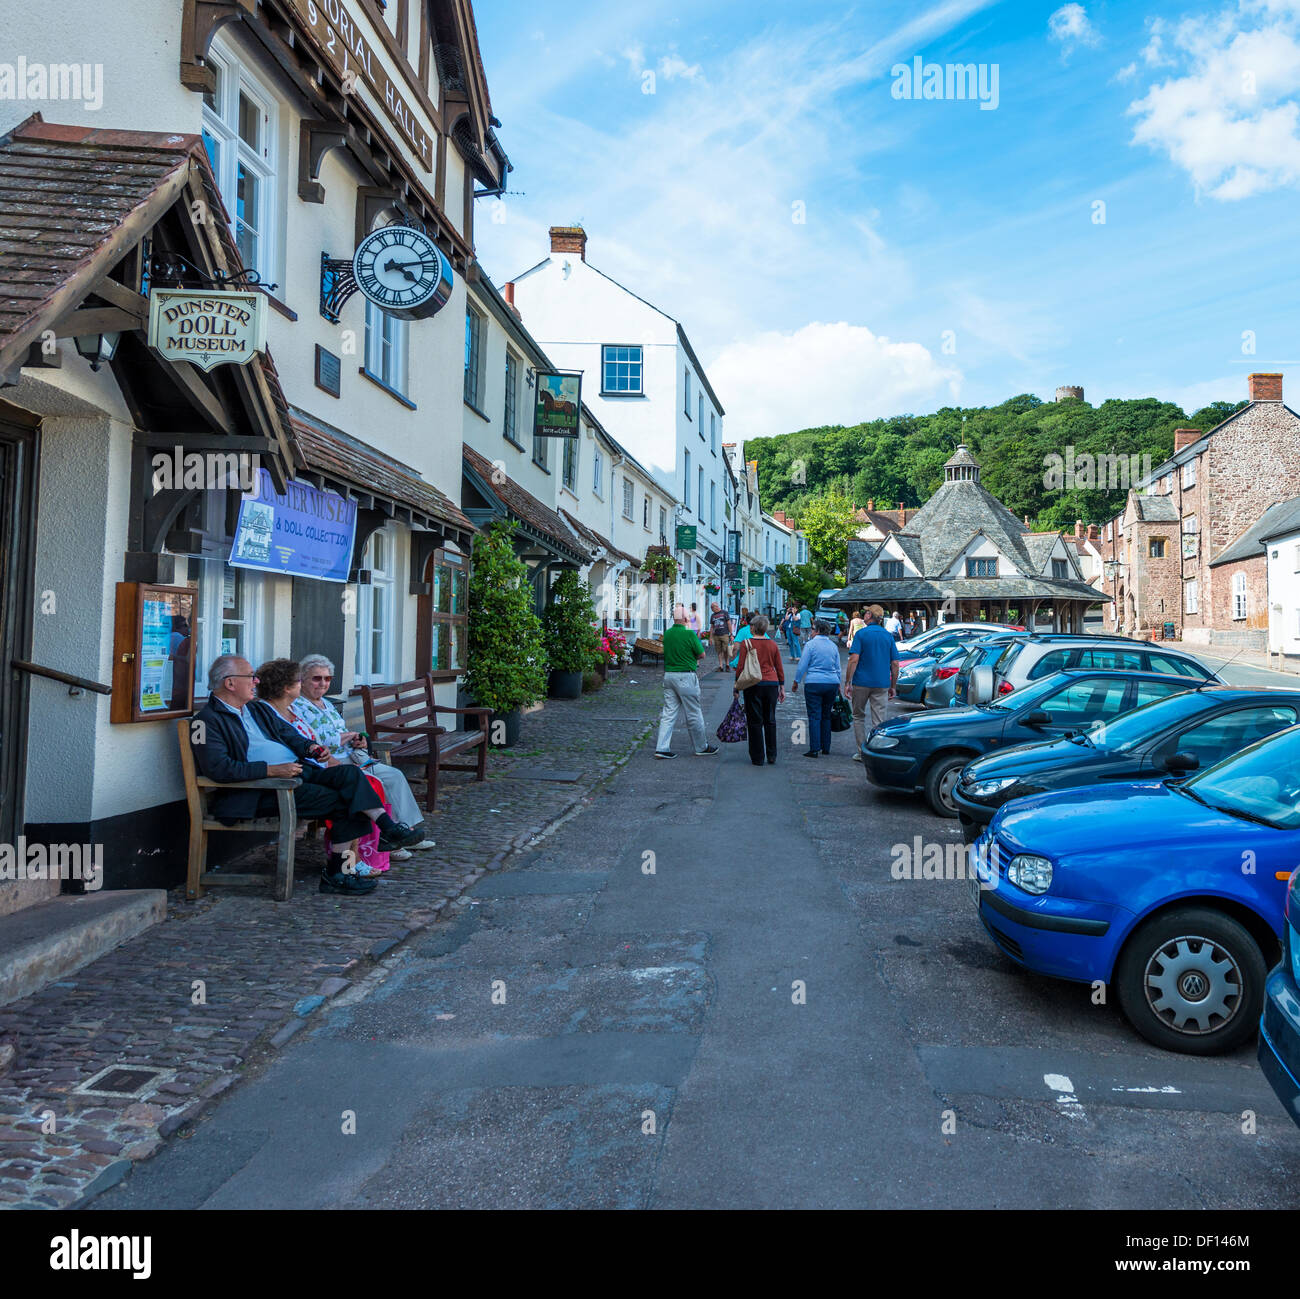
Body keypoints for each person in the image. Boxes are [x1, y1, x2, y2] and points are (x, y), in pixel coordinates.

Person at [191, 655, 424, 895]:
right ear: (230, 684)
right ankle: (340, 872)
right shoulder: (206, 721)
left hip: (296, 772)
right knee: (348, 801)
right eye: (250, 677)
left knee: (351, 776)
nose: (256, 681)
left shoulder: (255, 708)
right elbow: (219, 769)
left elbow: (288, 733)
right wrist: (272, 770)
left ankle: (383, 830)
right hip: (263, 789)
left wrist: (310, 748)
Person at [256, 658, 392, 875]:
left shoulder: (289, 712)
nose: (319, 684)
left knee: (355, 783)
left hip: (312, 769)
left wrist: (315, 750)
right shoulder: (262, 712)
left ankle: (359, 857)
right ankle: (351, 863)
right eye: (302, 680)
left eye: (327, 678)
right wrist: (273, 770)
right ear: (286, 687)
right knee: (352, 792)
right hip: (290, 778)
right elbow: (252, 755)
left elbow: (300, 740)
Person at [293, 654, 435, 850]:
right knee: (376, 783)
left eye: (327, 679)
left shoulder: (327, 704)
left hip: (351, 756)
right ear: (302, 680)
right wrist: (345, 737)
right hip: (329, 764)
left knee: (394, 775)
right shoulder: (297, 706)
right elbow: (309, 739)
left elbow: (340, 731)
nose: (322, 683)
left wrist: (358, 740)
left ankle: (406, 831)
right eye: (316, 678)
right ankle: (384, 841)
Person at [655, 608, 720, 759]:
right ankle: (701, 746)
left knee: (668, 714)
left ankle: (662, 748)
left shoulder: (667, 634)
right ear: (685, 619)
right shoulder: (689, 634)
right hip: (686, 676)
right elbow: (702, 654)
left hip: (669, 675)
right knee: (693, 713)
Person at [843, 605, 900, 761]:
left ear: (870, 615)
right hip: (881, 683)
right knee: (879, 720)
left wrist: (848, 682)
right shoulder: (888, 636)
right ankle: (876, 752)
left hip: (861, 681)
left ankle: (862, 752)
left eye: (866, 612)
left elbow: (853, 659)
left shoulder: (861, 634)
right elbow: (895, 663)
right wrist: (893, 686)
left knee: (858, 716)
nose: (864, 614)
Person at [734, 614, 785, 766]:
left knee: (754, 721)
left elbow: (741, 667)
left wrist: (736, 686)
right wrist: (781, 685)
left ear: (753, 628)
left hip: (752, 684)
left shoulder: (746, 643)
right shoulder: (773, 645)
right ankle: (772, 754)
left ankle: (757, 757)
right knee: (770, 719)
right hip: (771, 683)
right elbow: (779, 666)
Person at [791, 619, 842, 757]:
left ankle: (814, 748)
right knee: (826, 715)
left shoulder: (810, 645)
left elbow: (803, 665)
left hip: (814, 682)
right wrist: (838, 683)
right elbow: (837, 668)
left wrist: (796, 681)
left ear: (818, 630)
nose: (811, 631)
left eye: (813, 629)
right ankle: (826, 746)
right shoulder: (833, 646)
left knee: (814, 715)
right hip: (831, 682)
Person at [707, 601, 732, 671]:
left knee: (726, 650)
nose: (712, 610)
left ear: (716, 607)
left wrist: (731, 634)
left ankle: (727, 665)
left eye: (712, 608)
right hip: (716, 635)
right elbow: (712, 627)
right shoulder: (713, 616)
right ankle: (720, 666)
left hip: (725, 634)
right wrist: (710, 638)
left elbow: (729, 623)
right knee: (719, 651)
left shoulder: (725, 613)